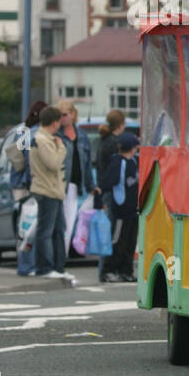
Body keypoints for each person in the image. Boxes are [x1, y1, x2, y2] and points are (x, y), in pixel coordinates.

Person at [53, 101, 100, 258]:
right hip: (58, 185)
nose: (62, 118)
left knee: (70, 223)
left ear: (73, 114)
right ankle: (57, 259)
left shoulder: (82, 136)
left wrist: (90, 185)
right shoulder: (55, 135)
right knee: (58, 225)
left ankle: (62, 258)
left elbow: (86, 164)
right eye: (59, 115)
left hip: (75, 186)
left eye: (65, 114)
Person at [29, 106, 71, 279]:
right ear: (54, 123)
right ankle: (44, 268)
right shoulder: (42, 140)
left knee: (58, 230)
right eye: (59, 123)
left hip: (53, 190)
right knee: (46, 231)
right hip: (47, 190)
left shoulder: (44, 138)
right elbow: (53, 163)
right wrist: (61, 148)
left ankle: (58, 268)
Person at [99, 133, 140, 282]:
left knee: (130, 242)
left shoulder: (135, 161)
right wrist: (99, 197)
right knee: (117, 242)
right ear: (132, 148)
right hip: (121, 210)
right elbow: (107, 182)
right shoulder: (118, 162)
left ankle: (126, 270)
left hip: (133, 210)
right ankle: (107, 271)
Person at [6, 99, 48, 202]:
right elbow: (30, 160)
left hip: (18, 182)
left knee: (23, 215)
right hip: (32, 182)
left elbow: (18, 158)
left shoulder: (23, 131)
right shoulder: (40, 133)